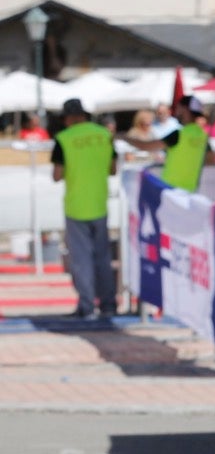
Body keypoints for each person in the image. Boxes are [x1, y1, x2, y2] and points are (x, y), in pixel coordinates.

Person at [50, 98, 117, 319]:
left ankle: (87, 307)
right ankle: (108, 305)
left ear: (69, 118)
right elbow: (113, 169)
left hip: (76, 206)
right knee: (103, 258)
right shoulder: (104, 135)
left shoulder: (64, 139)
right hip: (99, 203)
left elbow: (57, 175)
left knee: (82, 260)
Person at [121, 95, 209, 193]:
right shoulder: (203, 136)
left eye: (178, 108)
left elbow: (146, 146)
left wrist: (124, 137)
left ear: (185, 109)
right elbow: (211, 159)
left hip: (171, 190)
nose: (176, 111)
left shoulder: (180, 134)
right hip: (191, 191)